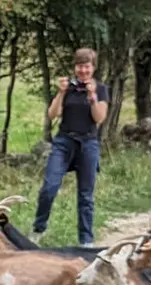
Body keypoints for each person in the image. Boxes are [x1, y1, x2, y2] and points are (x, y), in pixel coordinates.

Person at [33, 48, 110, 247]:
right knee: (49, 187)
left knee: (85, 194)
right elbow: (52, 115)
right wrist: (60, 92)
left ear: (93, 68)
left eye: (87, 66)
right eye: (79, 66)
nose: (83, 71)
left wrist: (92, 96)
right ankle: (38, 229)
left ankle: (86, 240)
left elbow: (99, 118)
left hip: (88, 143)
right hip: (64, 141)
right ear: (75, 67)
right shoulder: (68, 88)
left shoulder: (100, 89)